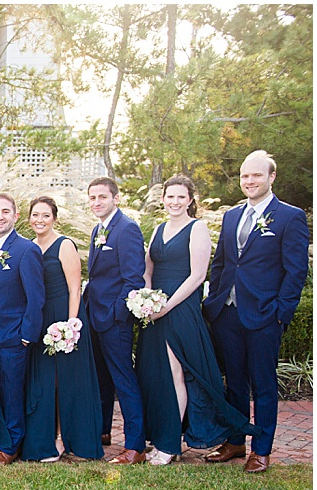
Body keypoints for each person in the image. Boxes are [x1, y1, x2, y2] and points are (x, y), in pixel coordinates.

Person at [137, 176, 261, 466]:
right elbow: (147, 268)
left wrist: (166, 306)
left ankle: (169, 444)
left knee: (177, 373)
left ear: (191, 200)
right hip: (154, 310)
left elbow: (197, 276)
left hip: (180, 309)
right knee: (157, 375)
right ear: (163, 198)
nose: (175, 202)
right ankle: (162, 438)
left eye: (181, 197)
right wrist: (145, 298)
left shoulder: (198, 228)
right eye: (170, 197)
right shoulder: (158, 228)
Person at [203, 151, 309, 473]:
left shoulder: (289, 217)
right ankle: (236, 441)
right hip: (228, 313)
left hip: (265, 315)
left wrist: (281, 313)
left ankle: (261, 450)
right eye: (245, 176)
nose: (249, 181)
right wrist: (214, 303)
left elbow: (296, 271)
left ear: (271, 177)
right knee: (234, 382)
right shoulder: (232, 216)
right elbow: (222, 261)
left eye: (256, 176)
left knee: (263, 384)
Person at [21, 197, 102, 462]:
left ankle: (78, 444)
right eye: (35, 215)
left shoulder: (64, 245)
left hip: (65, 317)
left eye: (45, 215)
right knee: (43, 381)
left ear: (54, 218)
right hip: (39, 318)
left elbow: (74, 288)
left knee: (69, 381)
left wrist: (71, 325)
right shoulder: (29, 246)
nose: (40, 220)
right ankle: (44, 442)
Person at [0, 193, 45, 465]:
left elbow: (36, 298)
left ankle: (12, 445)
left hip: (13, 337)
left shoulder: (26, 250)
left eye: (6, 211)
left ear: (15, 216)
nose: (0, 216)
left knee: (13, 391)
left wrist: (27, 336)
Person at [84, 177, 147, 465]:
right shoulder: (99, 228)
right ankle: (102, 431)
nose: (97, 202)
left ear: (116, 198)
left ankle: (135, 446)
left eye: (102, 197)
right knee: (101, 379)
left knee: (124, 379)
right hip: (94, 315)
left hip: (114, 319)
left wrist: (116, 315)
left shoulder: (128, 229)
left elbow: (133, 278)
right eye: (93, 197)